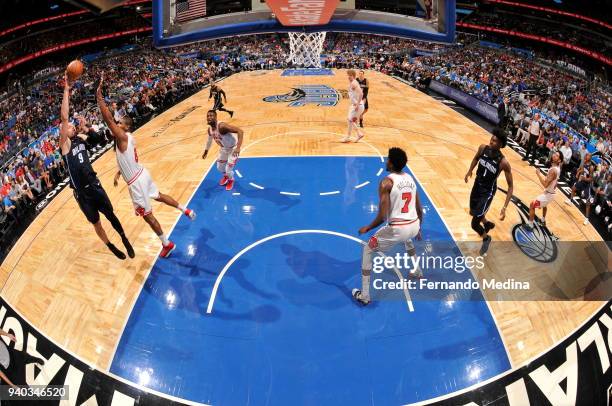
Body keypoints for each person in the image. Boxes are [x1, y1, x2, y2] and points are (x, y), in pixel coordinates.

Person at [96, 73, 196, 258]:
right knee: (158, 195)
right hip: (141, 173)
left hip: (136, 183)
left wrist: (99, 97)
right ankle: (185, 209)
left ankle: (167, 244)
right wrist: (119, 173)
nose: (116, 124)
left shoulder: (122, 136)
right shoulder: (129, 139)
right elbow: (128, 160)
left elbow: (108, 120)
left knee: (147, 216)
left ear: (125, 127)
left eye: (120, 124)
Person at [60, 73, 134, 260]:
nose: (71, 127)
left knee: (110, 214)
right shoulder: (65, 145)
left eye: (72, 126)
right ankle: (110, 245)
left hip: (94, 184)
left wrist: (88, 128)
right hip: (82, 194)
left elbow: (99, 139)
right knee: (97, 223)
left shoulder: (81, 139)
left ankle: (124, 238)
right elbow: (64, 117)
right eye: (69, 127)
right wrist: (66, 91)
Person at [352, 147, 423, 305]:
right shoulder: (410, 178)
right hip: (414, 224)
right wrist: (419, 228)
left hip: (398, 228)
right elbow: (419, 207)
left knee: (368, 249)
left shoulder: (386, 183)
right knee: (408, 239)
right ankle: (417, 270)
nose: (386, 160)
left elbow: (383, 216)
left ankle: (364, 295)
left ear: (391, 163)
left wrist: (368, 227)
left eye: (388, 158)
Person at [464, 128, 514, 255]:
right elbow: (475, 158)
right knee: (473, 212)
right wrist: (470, 171)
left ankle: (486, 238)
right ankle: (487, 224)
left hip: (487, 192)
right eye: (491, 139)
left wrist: (504, 207)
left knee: (474, 223)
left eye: (495, 141)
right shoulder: (482, 148)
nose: (491, 142)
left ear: (501, 145)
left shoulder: (503, 163)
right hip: (477, 185)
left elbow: (510, 187)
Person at [202, 110, 244, 191]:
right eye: (208, 116)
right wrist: (206, 151)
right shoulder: (210, 129)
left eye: (211, 115)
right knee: (219, 167)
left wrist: (238, 147)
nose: (209, 117)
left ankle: (231, 180)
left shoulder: (222, 127)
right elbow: (209, 140)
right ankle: (226, 176)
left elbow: (240, 131)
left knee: (228, 169)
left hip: (233, 149)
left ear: (216, 117)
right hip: (224, 149)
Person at [525, 152, 561, 230]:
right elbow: (553, 181)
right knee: (544, 205)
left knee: (532, 205)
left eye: (557, 156)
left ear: (559, 160)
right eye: (555, 154)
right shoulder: (557, 167)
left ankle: (530, 225)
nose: (554, 155)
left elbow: (545, 185)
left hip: (548, 194)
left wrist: (538, 174)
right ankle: (543, 220)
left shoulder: (553, 170)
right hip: (551, 193)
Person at [565, 153, 595, 225]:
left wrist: (585, 178)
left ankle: (587, 219)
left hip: (587, 185)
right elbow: (582, 170)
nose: (586, 156)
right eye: (586, 155)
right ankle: (571, 201)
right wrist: (578, 172)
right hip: (582, 182)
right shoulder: (584, 163)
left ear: (590, 157)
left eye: (588, 156)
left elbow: (591, 179)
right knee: (573, 188)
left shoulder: (591, 167)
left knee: (588, 203)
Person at [340, 70, 365, 143]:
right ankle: (357, 134)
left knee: (349, 120)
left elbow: (361, 94)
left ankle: (351, 136)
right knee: (350, 120)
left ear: (353, 76)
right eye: (348, 75)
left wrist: (357, 105)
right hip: (355, 105)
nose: (348, 77)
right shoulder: (352, 83)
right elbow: (352, 94)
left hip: (357, 106)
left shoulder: (354, 83)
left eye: (350, 75)